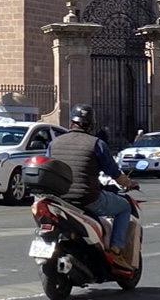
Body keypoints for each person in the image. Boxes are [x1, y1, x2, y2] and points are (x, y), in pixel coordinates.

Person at [47, 105, 136, 252]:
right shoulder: (97, 144)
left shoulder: (54, 143)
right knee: (125, 207)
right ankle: (116, 247)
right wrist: (130, 183)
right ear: (91, 125)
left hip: (60, 200)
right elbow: (116, 175)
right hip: (87, 199)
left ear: (71, 123)